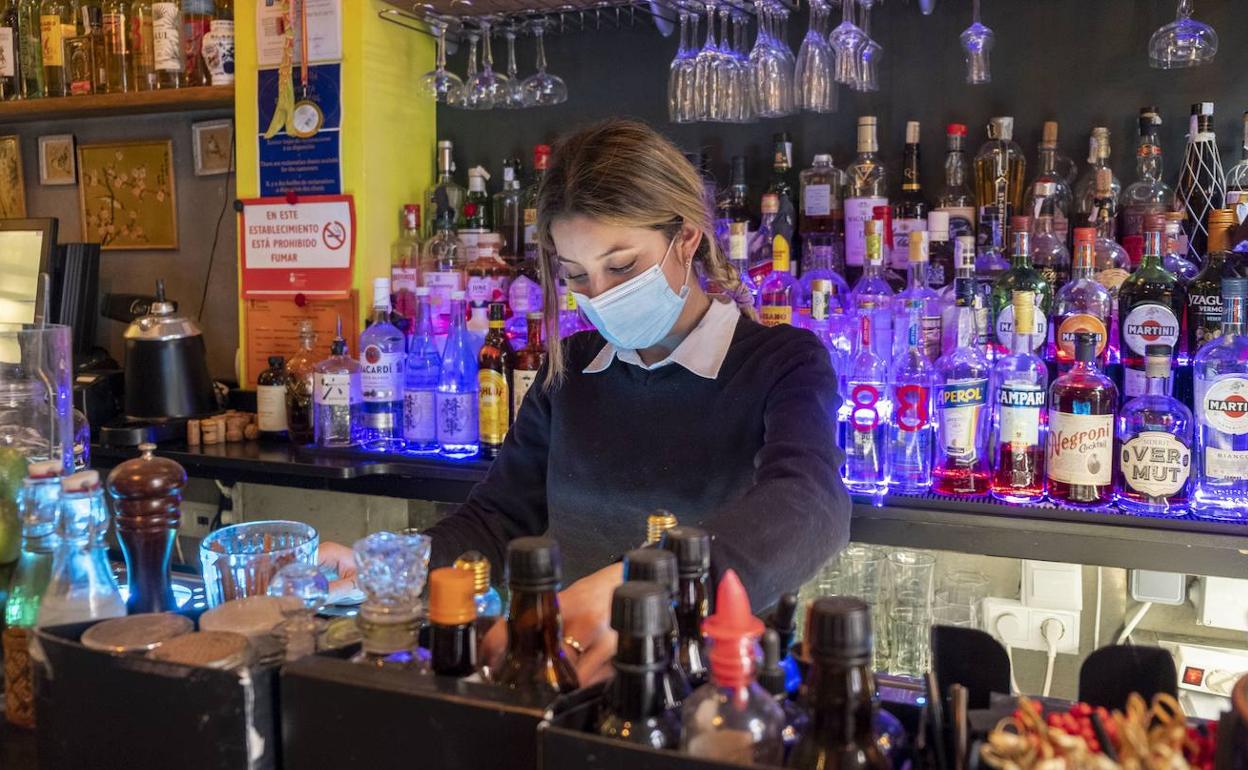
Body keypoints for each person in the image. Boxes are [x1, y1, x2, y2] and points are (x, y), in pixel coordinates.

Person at [417, 119, 851, 683]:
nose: (600, 295)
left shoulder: (780, 363)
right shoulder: (569, 369)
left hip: (719, 696)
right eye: (576, 275)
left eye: (621, 266)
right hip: (575, 681)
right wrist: (392, 567)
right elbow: (495, 518)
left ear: (687, 236)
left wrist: (650, 586)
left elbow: (813, 503)